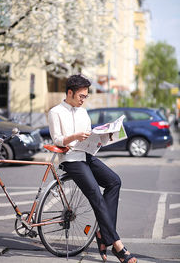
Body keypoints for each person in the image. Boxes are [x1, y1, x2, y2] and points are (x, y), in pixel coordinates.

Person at [48, 74, 137, 263]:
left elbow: (90, 137)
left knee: (114, 181)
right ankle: (118, 246)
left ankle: (102, 234)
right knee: (95, 193)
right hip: (70, 158)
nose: (83, 100)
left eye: (86, 96)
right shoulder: (55, 112)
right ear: (70, 92)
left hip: (86, 155)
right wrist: (75, 136)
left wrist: (104, 137)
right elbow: (57, 140)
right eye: (81, 96)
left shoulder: (83, 112)